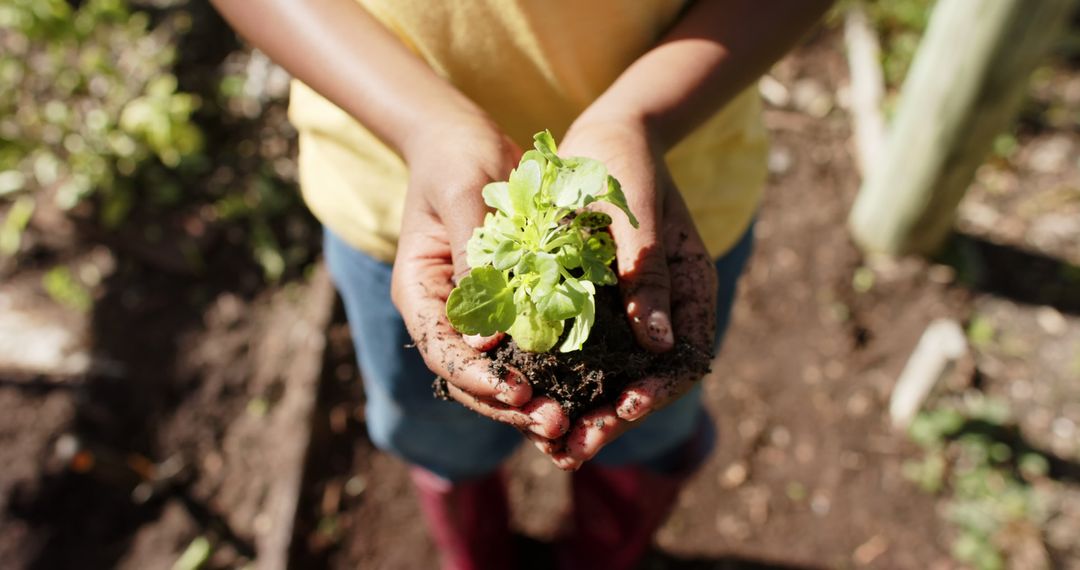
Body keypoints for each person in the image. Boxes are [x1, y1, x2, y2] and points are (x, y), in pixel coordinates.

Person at [210, 1, 833, 568]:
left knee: (647, 424)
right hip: (400, 199)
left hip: (666, 210)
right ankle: (479, 552)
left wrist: (640, 116)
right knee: (439, 432)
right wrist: (423, 123)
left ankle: (605, 553)